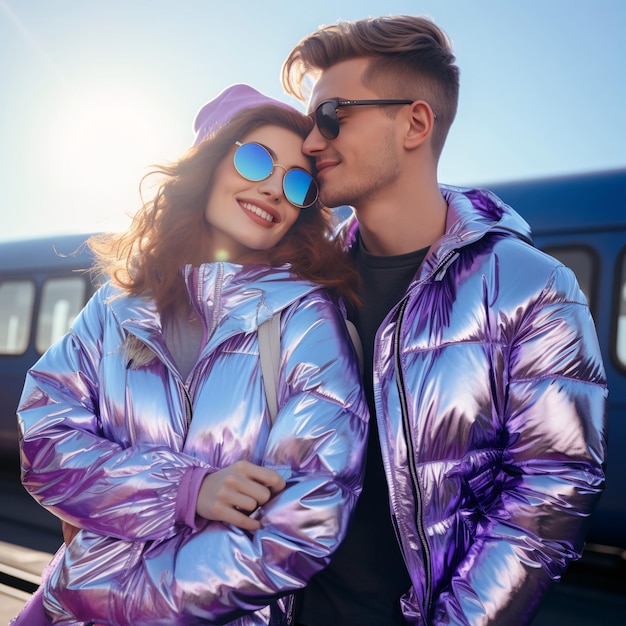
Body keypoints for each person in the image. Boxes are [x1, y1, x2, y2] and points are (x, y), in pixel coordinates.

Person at [281, 14, 608, 626]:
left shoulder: (535, 287)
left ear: (415, 122)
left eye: (332, 117)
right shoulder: (299, 288)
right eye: (308, 123)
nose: (310, 142)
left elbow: (551, 485)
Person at [14, 83, 368, 626]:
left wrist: (122, 603)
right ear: (208, 164)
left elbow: (306, 519)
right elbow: (45, 445)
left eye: (297, 182)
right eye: (256, 160)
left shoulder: (305, 318)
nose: (275, 188)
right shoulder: (117, 305)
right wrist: (185, 489)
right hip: (62, 610)